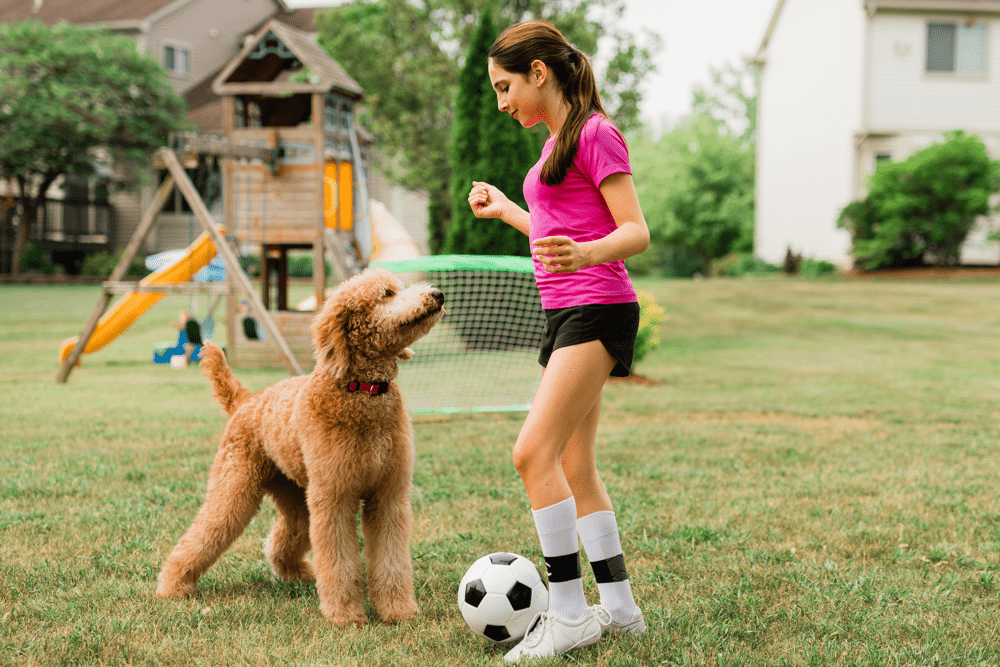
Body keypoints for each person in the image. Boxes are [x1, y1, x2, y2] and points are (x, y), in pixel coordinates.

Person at [467, 19, 650, 663]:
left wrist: (589, 253)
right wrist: (508, 211)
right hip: (567, 312)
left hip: (597, 309)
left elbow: (634, 231)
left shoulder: (597, 133)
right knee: (574, 465)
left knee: (530, 454)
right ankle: (621, 611)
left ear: (538, 73)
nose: (501, 102)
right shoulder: (552, 148)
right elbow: (554, 237)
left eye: (504, 86)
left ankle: (570, 614)